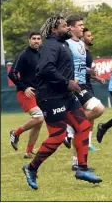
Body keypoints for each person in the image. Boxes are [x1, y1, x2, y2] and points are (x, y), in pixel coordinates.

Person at [22, 16, 102, 190]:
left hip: (66, 94)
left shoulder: (63, 44)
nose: (67, 28)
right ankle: (31, 167)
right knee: (58, 136)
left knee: (83, 126)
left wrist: (74, 80)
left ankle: (81, 168)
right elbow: (45, 69)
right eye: (64, 26)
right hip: (50, 97)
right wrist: (66, 83)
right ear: (54, 30)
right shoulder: (50, 46)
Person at [63, 16, 105, 171]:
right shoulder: (65, 44)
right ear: (71, 28)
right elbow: (64, 63)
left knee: (81, 127)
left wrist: (90, 71)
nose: (82, 28)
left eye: (82, 25)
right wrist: (69, 79)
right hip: (73, 85)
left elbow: (79, 64)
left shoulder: (80, 43)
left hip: (82, 83)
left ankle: (76, 162)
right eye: (80, 25)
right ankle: (69, 126)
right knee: (98, 108)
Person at [8, 31, 44, 158]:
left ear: (41, 41)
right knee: (39, 117)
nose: (36, 41)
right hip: (25, 93)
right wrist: (24, 88)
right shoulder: (24, 55)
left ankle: (28, 152)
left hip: (38, 92)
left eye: (38, 39)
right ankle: (15, 133)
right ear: (29, 40)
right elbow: (12, 74)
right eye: (33, 38)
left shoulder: (41, 54)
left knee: (38, 123)